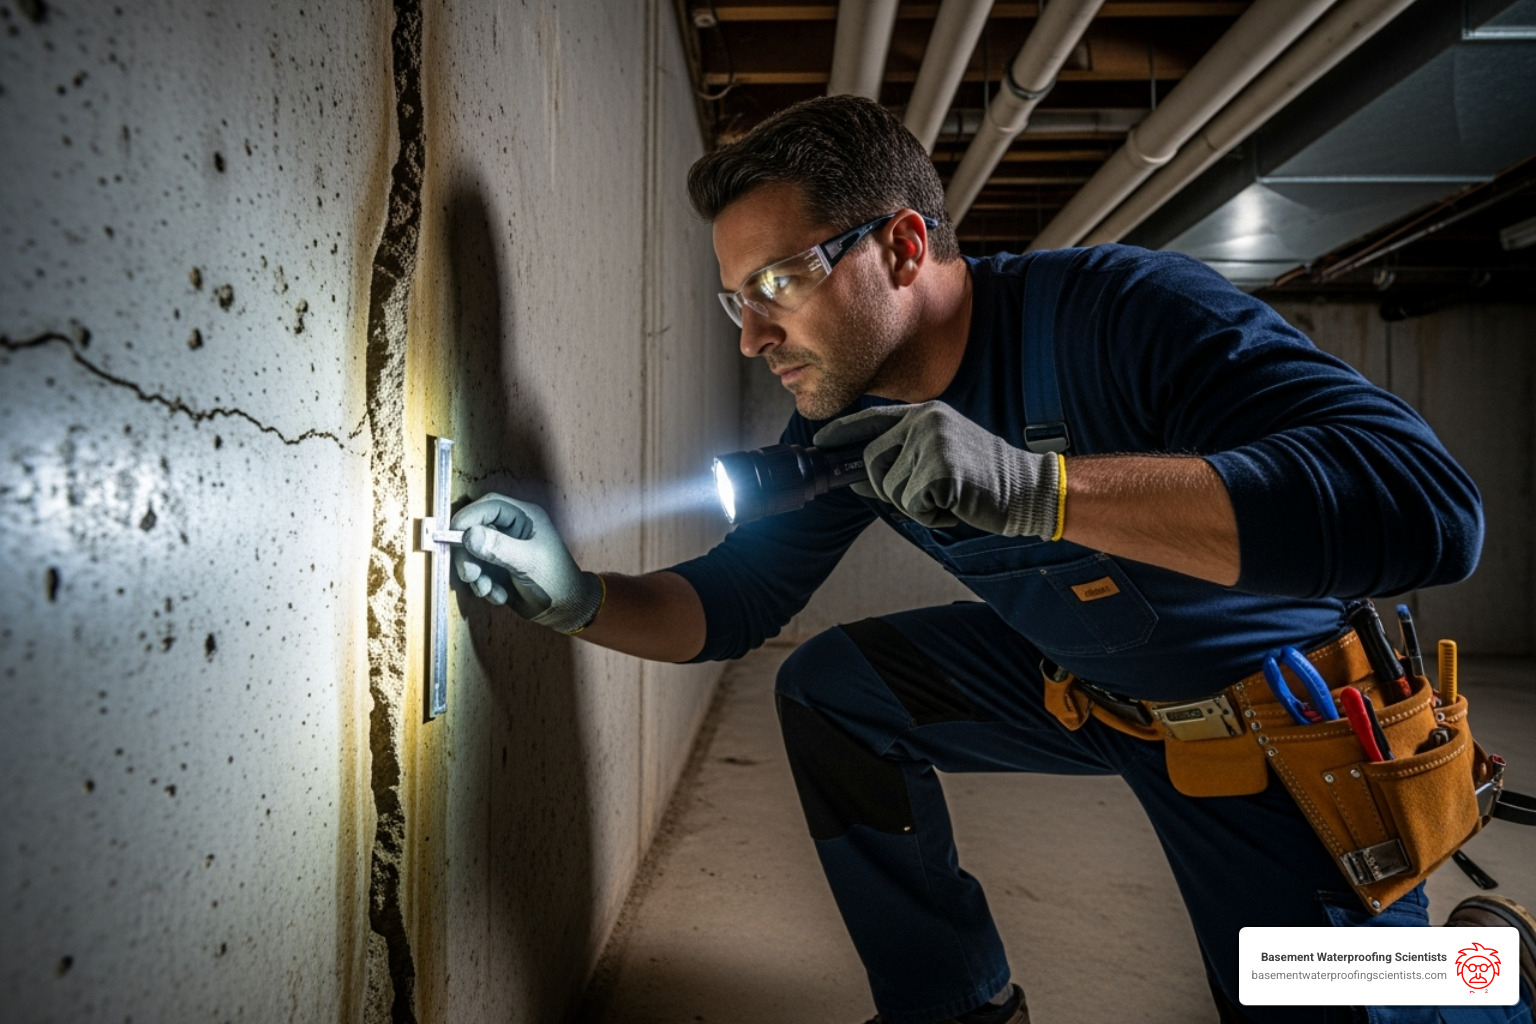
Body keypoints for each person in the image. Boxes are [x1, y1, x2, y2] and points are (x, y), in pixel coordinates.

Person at [450, 96, 1535, 1024]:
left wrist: (1045, 491)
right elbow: (735, 601)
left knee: (1301, 985)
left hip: (1274, 733)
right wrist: (581, 598)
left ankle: (1494, 970)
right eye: (739, 296)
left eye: (782, 278)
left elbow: (1435, 509)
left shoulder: (1123, 315)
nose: (753, 333)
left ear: (905, 247)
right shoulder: (853, 421)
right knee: (834, 695)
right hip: (1085, 686)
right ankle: (956, 1006)